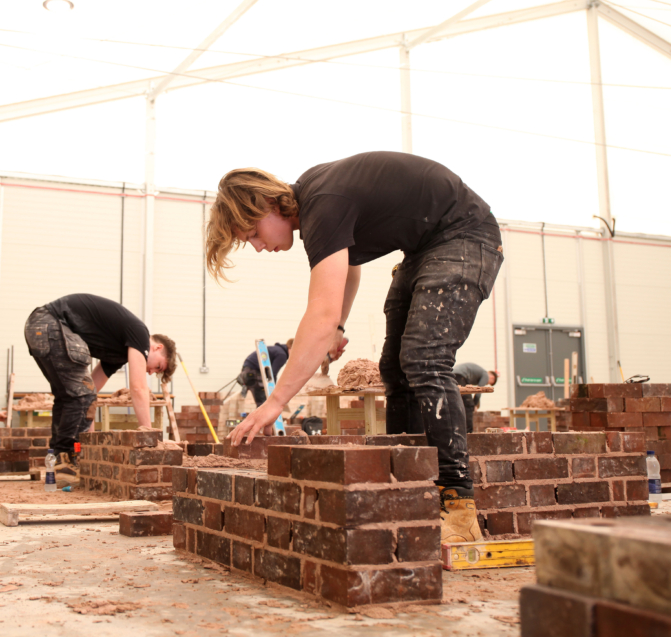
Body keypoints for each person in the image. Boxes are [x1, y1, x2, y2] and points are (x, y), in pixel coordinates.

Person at [208, 151, 503, 543]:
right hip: (426, 247)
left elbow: (320, 312)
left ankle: (457, 504)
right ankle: (412, 489)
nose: (259, 247)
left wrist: (275, 402)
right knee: (396, 370)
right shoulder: (316, 203)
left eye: (253, 234)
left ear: (267, 204)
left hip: (465, 235)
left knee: (425, 358)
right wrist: (339, 326)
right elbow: (349, 266)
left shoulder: (321, 205)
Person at [24, 293, 177, 462]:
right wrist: (150, 437)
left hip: (38, 326)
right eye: (158, 366)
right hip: (50, 323)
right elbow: (138, 388)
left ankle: (57, 461)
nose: (151, 372)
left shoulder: (117, 355)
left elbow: (92, 390)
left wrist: (90, 444)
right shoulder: (140, 334)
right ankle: (67, 460)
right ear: (157, 347)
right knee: (80, 395)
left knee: (70, 396)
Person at [238, 340, 290, 407]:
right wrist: (274, 390)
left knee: (261, 402)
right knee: (263, 403)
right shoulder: (282, 355)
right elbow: (272, 374)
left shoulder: (276, 350)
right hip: (254, 372)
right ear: (290, 348)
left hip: (247, 372)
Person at [453, 362, 498, 433]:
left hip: (454, 375)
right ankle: (468, 433)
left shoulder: (476, 374)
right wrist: (474, 405)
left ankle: (459, 430)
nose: (487, 384)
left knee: (461, 402)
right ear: (492, 378)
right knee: (469, 405)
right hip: (460, 376)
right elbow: (479, 392)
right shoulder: (486, 375)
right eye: (489, 383)